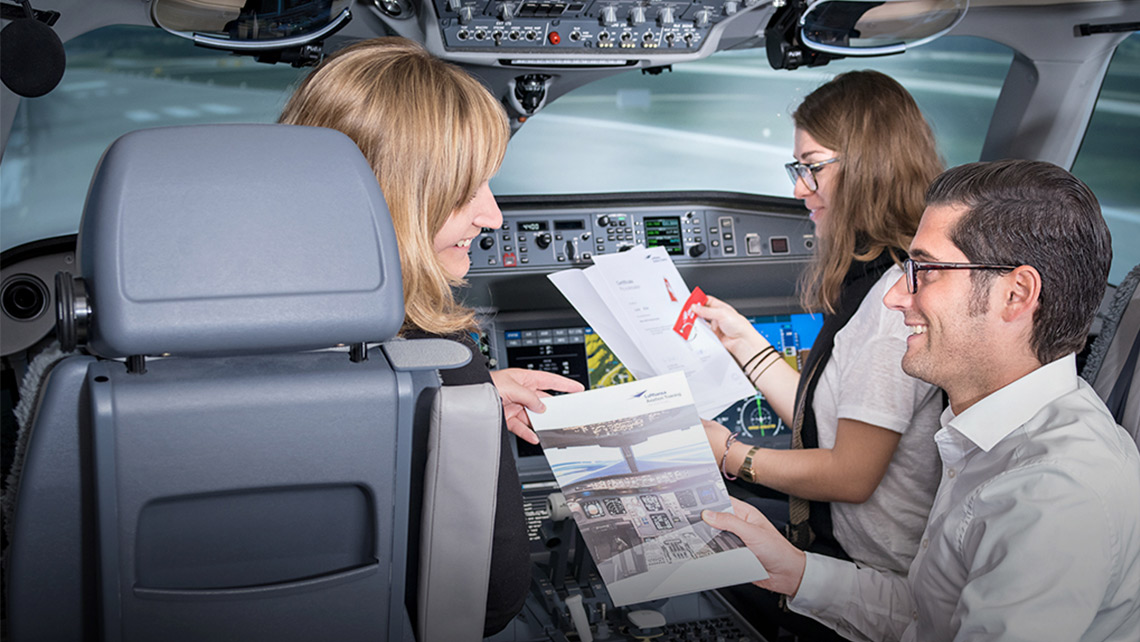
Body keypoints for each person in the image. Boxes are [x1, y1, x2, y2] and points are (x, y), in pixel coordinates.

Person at [704, 159, 1140, 642]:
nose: (894, 298)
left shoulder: (1054, 496)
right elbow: (929, 614)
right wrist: (796, 570)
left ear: (1016, 295)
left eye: (925, 271)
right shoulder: (989, 430)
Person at [279, 37, 583, 636]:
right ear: (394, 197)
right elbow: (492, 602)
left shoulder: (159, 354)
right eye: (466, 190)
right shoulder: (442, 365)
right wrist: (462, 402)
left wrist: (464, 394)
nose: (493, 216)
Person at [696, 72, 944, 581]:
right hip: (851, 553)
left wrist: (729, 453)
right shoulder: (876, 276)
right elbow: (827, 426)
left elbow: (850, 474)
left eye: (812, 167)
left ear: (869, 167)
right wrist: (744, 342)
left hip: (878, 577)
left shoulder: (893, 303)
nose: (797, 187)